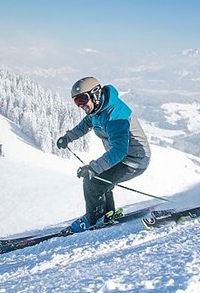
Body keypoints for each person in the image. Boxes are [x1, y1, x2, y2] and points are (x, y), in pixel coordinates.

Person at [56, 77, 151, 233]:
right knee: (102, 181)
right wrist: (68, 137)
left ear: (95, 94)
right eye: (76, 101)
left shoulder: (116, 117)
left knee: (93, 181)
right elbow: (86, 124)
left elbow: (120, 150)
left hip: (134, 159)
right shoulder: (97, 109)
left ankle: (94, 219)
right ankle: (107, 214)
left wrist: (93, 168)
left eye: (82, 99)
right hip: (124, 157)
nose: (80, 105)